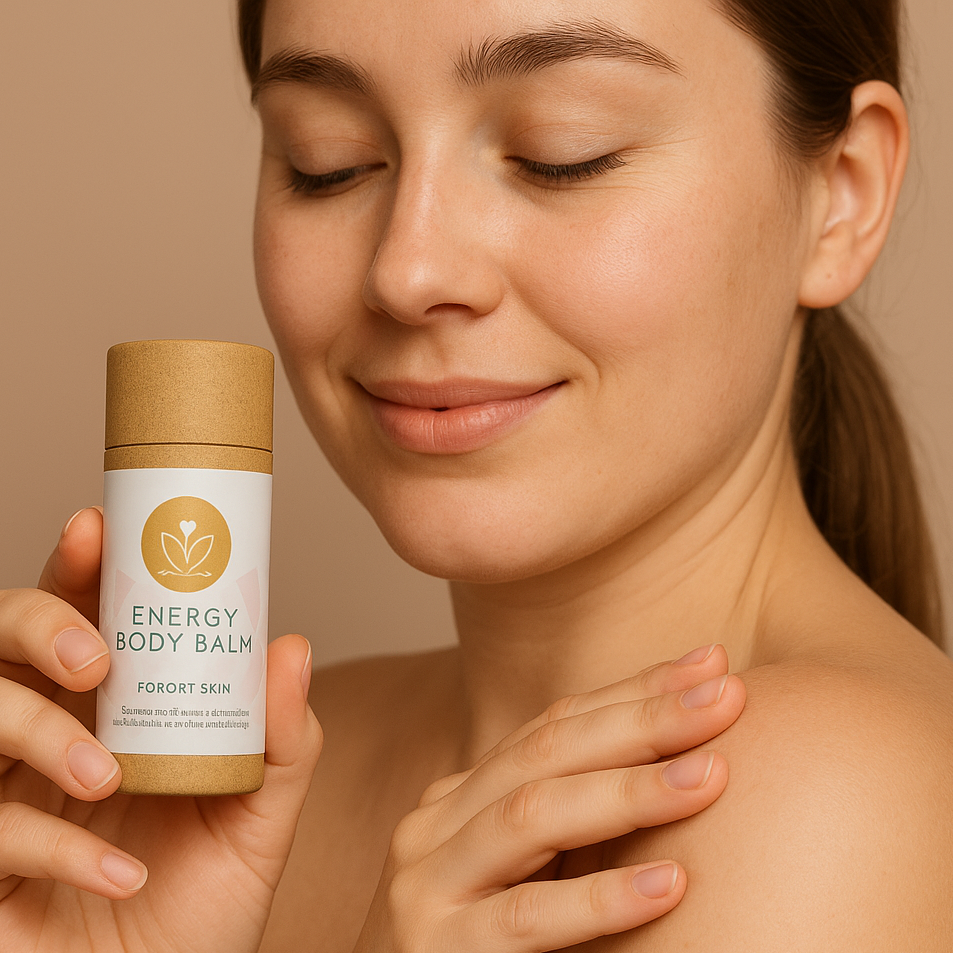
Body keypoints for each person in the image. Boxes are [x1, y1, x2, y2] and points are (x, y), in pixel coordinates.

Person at [1, 0, 951, 950]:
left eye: (561, 153)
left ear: (842, 195)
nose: (405, 272)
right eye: (328, 161)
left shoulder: (831, 799)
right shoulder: (245, 781)